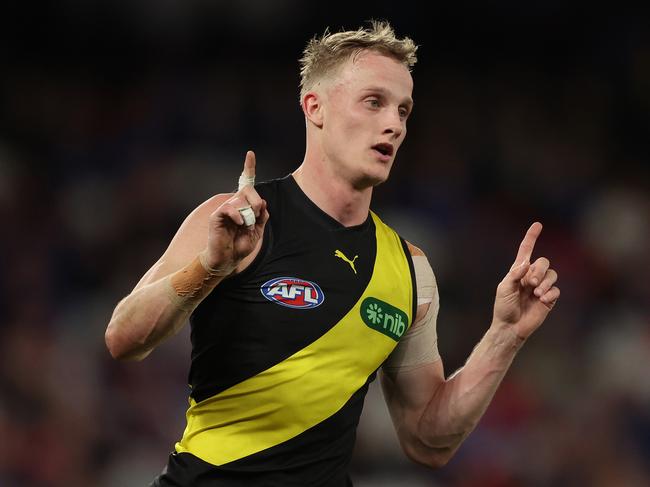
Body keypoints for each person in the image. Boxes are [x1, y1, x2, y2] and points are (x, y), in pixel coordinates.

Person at [105, 20, 560, 487]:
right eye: (374, 102)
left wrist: (505, 334)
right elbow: (123, 339)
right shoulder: (236, 221)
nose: (394, 124)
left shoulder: (407, 269)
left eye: (403, 110)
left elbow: (427, 440)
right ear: (314, 106)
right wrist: (210, 266)